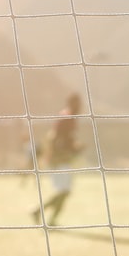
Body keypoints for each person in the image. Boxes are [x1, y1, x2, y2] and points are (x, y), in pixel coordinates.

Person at [32, 93, 84, 226]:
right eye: (77, 103)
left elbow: (66, 140)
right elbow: (56, 138)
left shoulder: (70, 118)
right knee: (64, 191)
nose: (80, 106)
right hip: (59, 160)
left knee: (65, 192)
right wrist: (67, 150)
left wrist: (75, 148)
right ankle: (38, 211)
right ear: (71, 103)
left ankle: (50, 219)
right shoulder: (66, 118)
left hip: (63, 159)